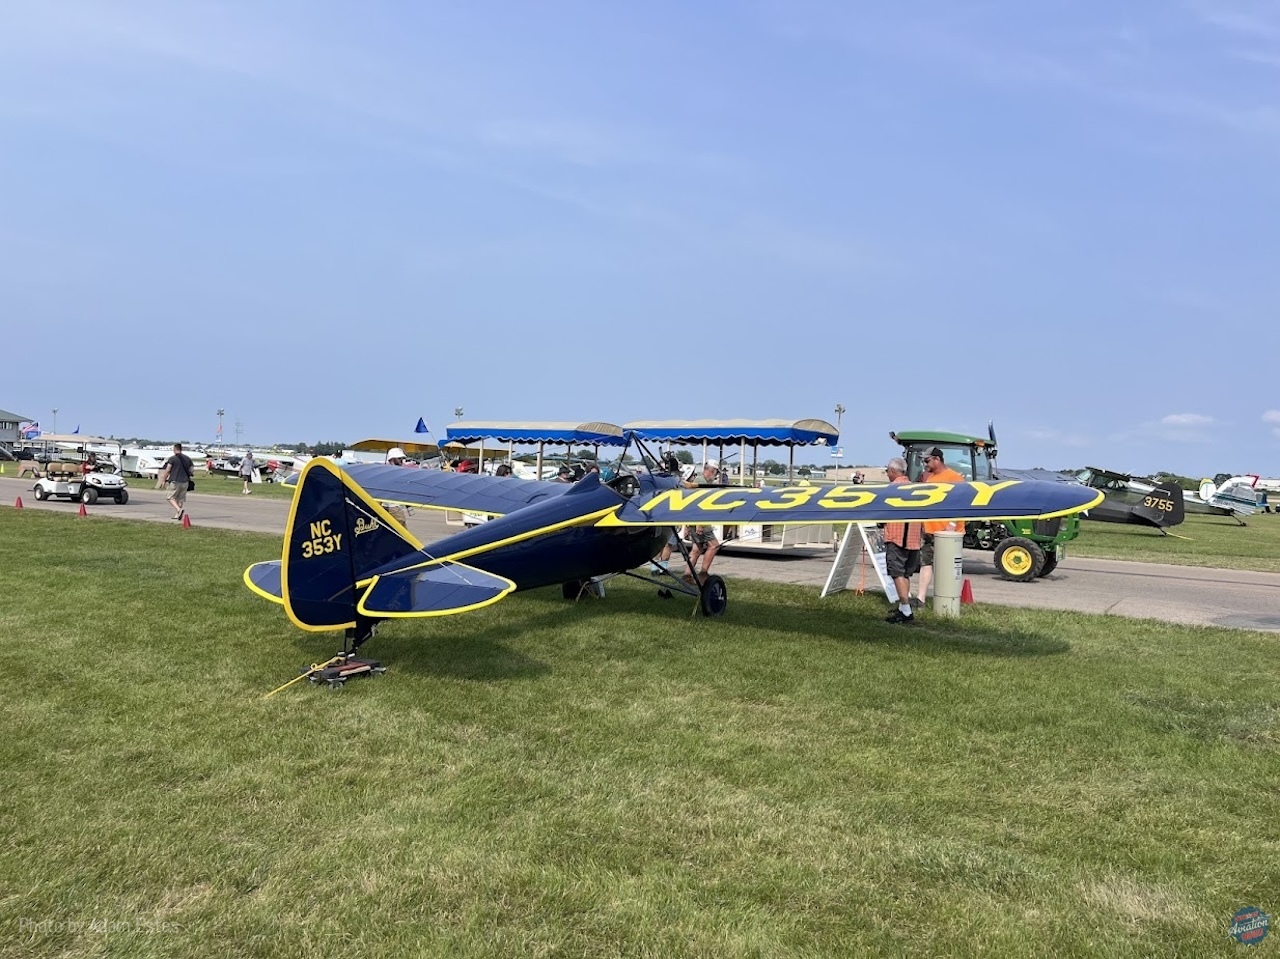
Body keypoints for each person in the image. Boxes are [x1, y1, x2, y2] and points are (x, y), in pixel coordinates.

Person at [914, 446, 966, 606]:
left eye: (927, 461)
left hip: (948, 533)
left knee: (948, 568)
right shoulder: (929, 479)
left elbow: (963, 504)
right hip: (930, 531)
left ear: (937, 459)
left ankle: (948, 600)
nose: (925, 464)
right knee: (926, 563)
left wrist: (952, 524)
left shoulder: (955, 478)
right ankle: (921, 598)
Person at [881, 456, 922, 624]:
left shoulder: (892, 489)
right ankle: (903, 607)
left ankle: (906, 610)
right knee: (906, 574)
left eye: (887, 471)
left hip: (897, 537)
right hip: (914, 538)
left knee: (896, 573)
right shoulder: (915, 489)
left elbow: (883, 513)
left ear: (892, 471)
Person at [159, 443, 196, 521]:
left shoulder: (172, 459)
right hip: (185, 481)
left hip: (175, 481)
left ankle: (179, 510)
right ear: (181, 449)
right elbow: (192, 470)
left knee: (170, 497)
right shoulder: (188, 458)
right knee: (180, 498)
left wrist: (163, 480)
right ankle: (177, 515)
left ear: (174, 449)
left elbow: (168, 470)